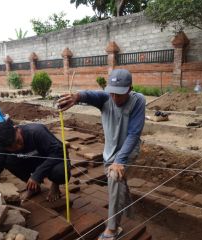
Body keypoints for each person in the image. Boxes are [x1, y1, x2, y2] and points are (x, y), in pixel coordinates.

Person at [58, 69, 145, 240]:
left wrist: (120, 160)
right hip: (109, 153)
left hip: (127, 152)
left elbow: (134, 134)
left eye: (119, 94)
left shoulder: (138, 101)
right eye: (111, 92)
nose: (114, 97)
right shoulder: (105, 98)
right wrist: (77, 97)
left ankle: (113, 229)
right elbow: (91, 95)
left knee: (115, 177)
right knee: (120, 184)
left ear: (130, 89)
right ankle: (129, 214)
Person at [0, 120, 70, 202]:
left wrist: (37, 175)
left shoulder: (36, 131)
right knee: (8, 161)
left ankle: (55, 184)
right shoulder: (2, 146)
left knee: (60, 172)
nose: (19, 147)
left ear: (17, 129)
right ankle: (33, 188)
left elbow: (61, 152)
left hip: (49, 160)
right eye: (12, 148)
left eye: (18, 141)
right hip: (30, 161)